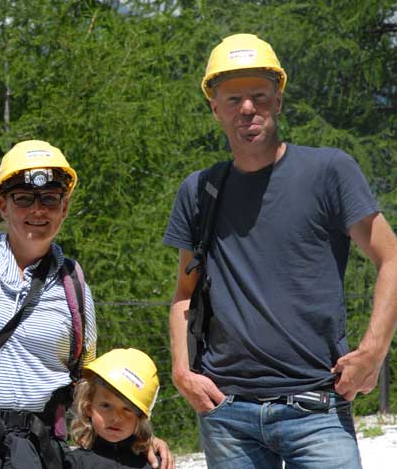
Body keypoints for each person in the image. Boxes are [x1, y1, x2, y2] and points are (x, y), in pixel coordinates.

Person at [163, 32, 397, 468]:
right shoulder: (199, 191)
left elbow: (392, 257)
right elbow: (184, 293)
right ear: (215, 108)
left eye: (259, 96)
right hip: (228, 414)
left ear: (279, 100)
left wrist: (373, 352)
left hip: (318, 407)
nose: (247, 109)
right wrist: (181, 372)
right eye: (233, 99)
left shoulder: (329, 171)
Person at [0, 140, 172, 469]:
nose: (38, 210)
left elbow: (92, 385)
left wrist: (139, 435)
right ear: (3, 204)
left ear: (64, 208)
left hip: (38, 452)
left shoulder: (74, 284)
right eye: (23, 198)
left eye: (50, 199)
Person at [65, 348, 163, 469]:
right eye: (106, 405)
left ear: (140, 416)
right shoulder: (75, 462)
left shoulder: (154, 463)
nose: (116, 418)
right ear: (88, 407)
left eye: (127, 409)